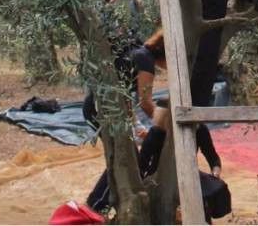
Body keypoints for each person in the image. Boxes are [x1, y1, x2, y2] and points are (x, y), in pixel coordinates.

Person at [84, 29, 221, 210]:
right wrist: (167, 124)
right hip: (100, 109)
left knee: (126, 155)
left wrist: (135, 124)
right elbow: (146, 103)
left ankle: (103, 203)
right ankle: (97, 204)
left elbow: (123, 93)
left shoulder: (139, 54)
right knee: (125, 156)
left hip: (103, 107)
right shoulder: (145, 61)